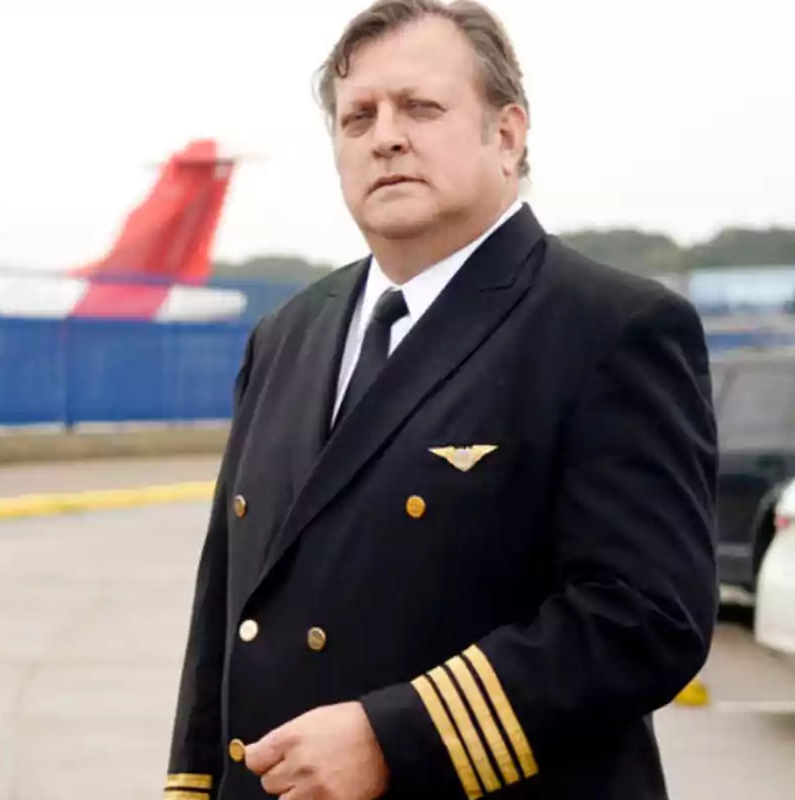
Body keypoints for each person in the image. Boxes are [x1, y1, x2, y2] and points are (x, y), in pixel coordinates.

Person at [161, 1, 719, 799]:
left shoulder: (609, 327)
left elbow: (644, 619)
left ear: (508, 133)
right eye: (358, 117)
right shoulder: (287, 334)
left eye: (421, 107)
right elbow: (226, 610)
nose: (385, 135)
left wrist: (395, 738)